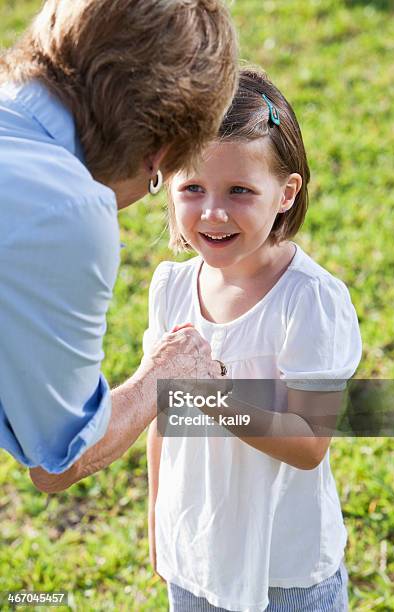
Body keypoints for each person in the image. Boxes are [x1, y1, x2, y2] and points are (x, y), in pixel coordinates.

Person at [146, 68, 362, 611]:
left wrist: (210, 397)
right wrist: (157, 522)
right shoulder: (171, 287)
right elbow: (162, 418)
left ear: (286, 193)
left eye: (240, 190)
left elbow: (309, 445)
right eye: (192, 188)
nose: (213, 212)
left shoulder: (309, 300)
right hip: (196, 559)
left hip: (282, 571)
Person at [0, 0, 238, 492]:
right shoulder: (66, 209)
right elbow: (58, 459)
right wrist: (164, 376)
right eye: (168, 182)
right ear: (159, 153)